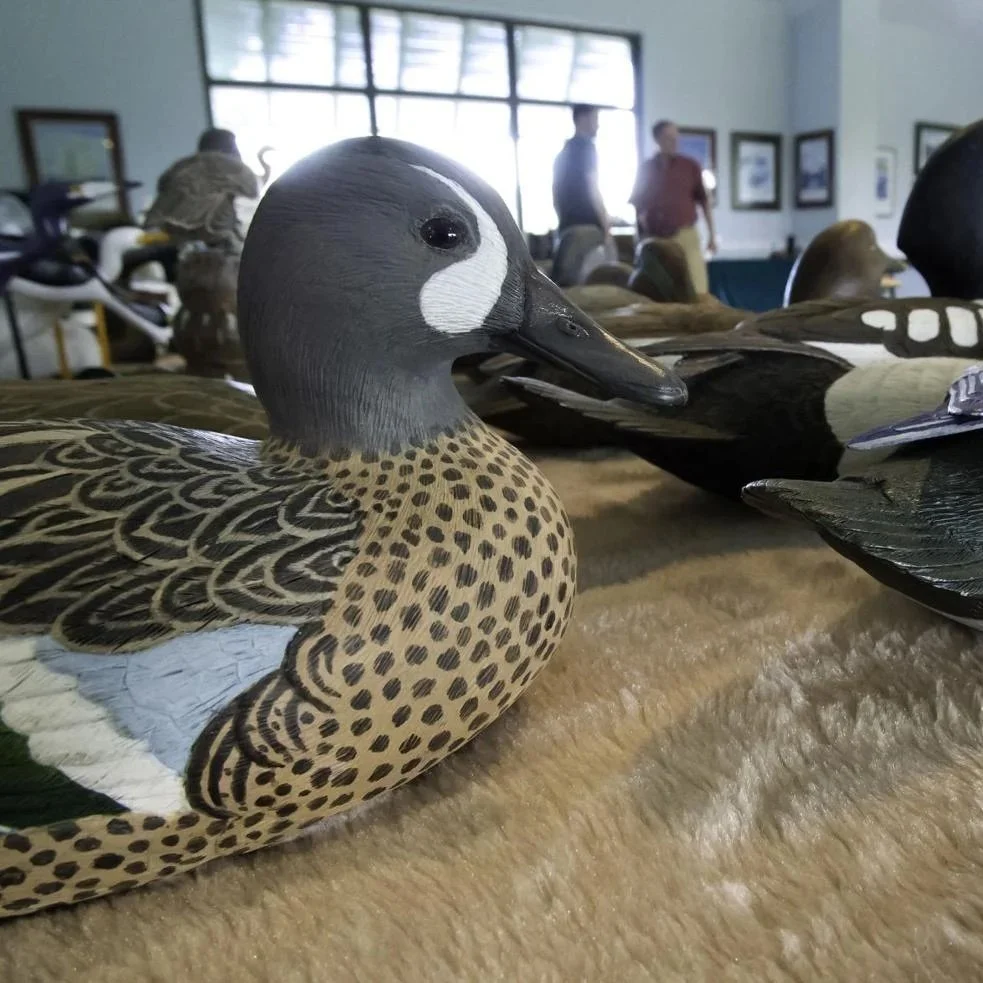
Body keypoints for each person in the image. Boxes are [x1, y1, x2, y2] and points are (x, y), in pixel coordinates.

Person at [630, 120, 717, 294]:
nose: (674, 142)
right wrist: (640, 239)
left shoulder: (690, 166)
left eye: (676, 137)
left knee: (698, 288)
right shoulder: (646, 169)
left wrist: (712, 236)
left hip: (685, 236)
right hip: (655, 240)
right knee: (657, 291)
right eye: (669, 137)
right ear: (658, 139)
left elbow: (705, 202)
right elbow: (638, 206)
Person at [552, 105, 611, 239]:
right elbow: (592, 187)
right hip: (588, 225)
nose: (598, 125)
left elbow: (555, 196)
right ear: (583, 119)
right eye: (595, 119)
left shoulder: (563, 153)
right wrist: (606, 225)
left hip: (567, 226)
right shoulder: (587, 148)